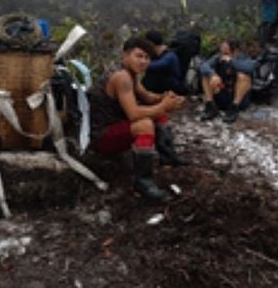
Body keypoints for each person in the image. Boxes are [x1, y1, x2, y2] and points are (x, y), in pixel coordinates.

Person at [88, 38, 185, 201]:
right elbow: (133, 113)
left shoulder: (131, 74)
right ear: (125, 56)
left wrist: (165, 98)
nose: (143, 61)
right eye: (139, 56)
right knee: (145, 124)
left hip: (116, 125)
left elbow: (146, 96)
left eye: (147, 58)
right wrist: (164, 106)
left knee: (158, 113)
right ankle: (143, 182)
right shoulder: (121, 77)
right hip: (101, 136)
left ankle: (167, 157)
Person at [199, 40, 255, 124]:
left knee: (243, 77)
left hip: (238, 99)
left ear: (235, 51)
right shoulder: (218, 57)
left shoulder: (244, 59)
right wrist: (212, 74)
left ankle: (234, 108)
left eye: (226, 51)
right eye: (222, 50)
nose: (223, 54)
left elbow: (249, 68)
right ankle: (210, 105)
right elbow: (203, 66)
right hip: (222, 93)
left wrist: (231, 61)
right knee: (206, 75)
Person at [141, 30, 186, 95]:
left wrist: (140, 64)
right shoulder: (154, 54)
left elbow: (160, 64)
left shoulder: (170, 55)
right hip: (161, 85)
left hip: (173, 86)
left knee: (153, 73)